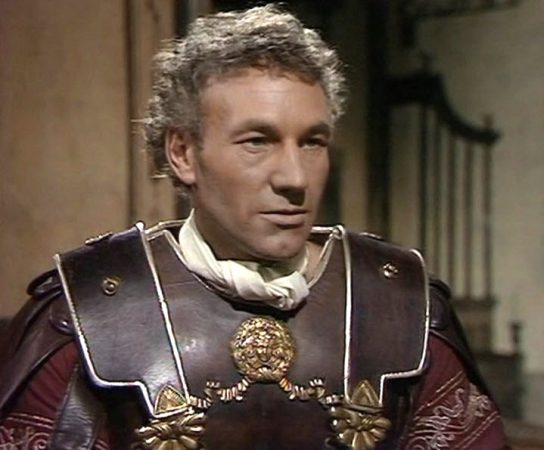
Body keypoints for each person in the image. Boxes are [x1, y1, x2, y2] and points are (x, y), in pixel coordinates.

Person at [0, 5, 506, 449]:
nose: (294, 178)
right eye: (257, 142)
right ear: (183, 153)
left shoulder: (400, 306)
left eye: (312, 142)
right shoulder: (91, 311)